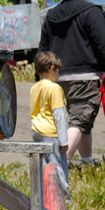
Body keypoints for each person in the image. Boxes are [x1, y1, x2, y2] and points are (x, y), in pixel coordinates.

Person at [38, 0, 105, 163]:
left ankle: (87, 161)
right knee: (80, 121)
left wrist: (41, 78)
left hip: (56, 78)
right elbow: (103, 44)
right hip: (84, 77)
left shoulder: (51, 15)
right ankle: (57, 166)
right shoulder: (91, 12)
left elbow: (43, 49)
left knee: (83, 122)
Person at [30, 50, 70, 198]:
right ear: (52, 68)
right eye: (58, 71)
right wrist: (64, 141)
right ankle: (63, 197)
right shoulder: (54, 88)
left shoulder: (35, 87)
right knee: (58, 166)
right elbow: (59, 115)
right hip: (51, 133)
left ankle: (44, 195)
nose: (58, 75)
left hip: (37, 131)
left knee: (43, 166)